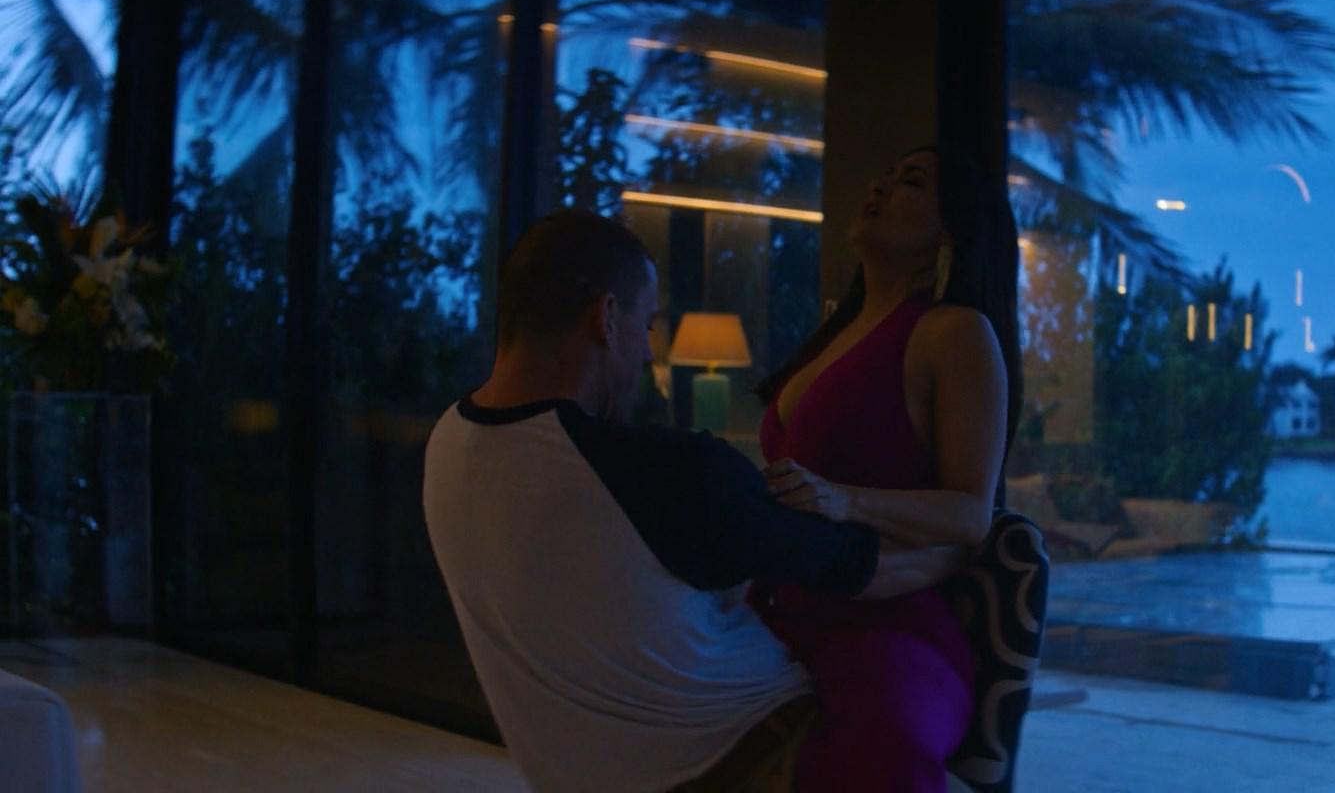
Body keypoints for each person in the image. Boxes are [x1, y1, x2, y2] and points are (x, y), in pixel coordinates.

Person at [422, 210, 967, 793]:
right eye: (647, 325)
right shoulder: (664, 473)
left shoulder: (447, 444)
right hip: (747, 754)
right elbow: (866, 568)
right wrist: (969, 543)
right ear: (607, 317)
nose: (646, 354)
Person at [753, 145, 1023, 793]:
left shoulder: (954, 332)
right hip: (778, 617)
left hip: (887, 625)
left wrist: (843, 500)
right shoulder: (833, 335)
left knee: (877, 749)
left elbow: (971, 513)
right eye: (886, 173)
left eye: (911, 182)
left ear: (951, 232)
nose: (880, 185)